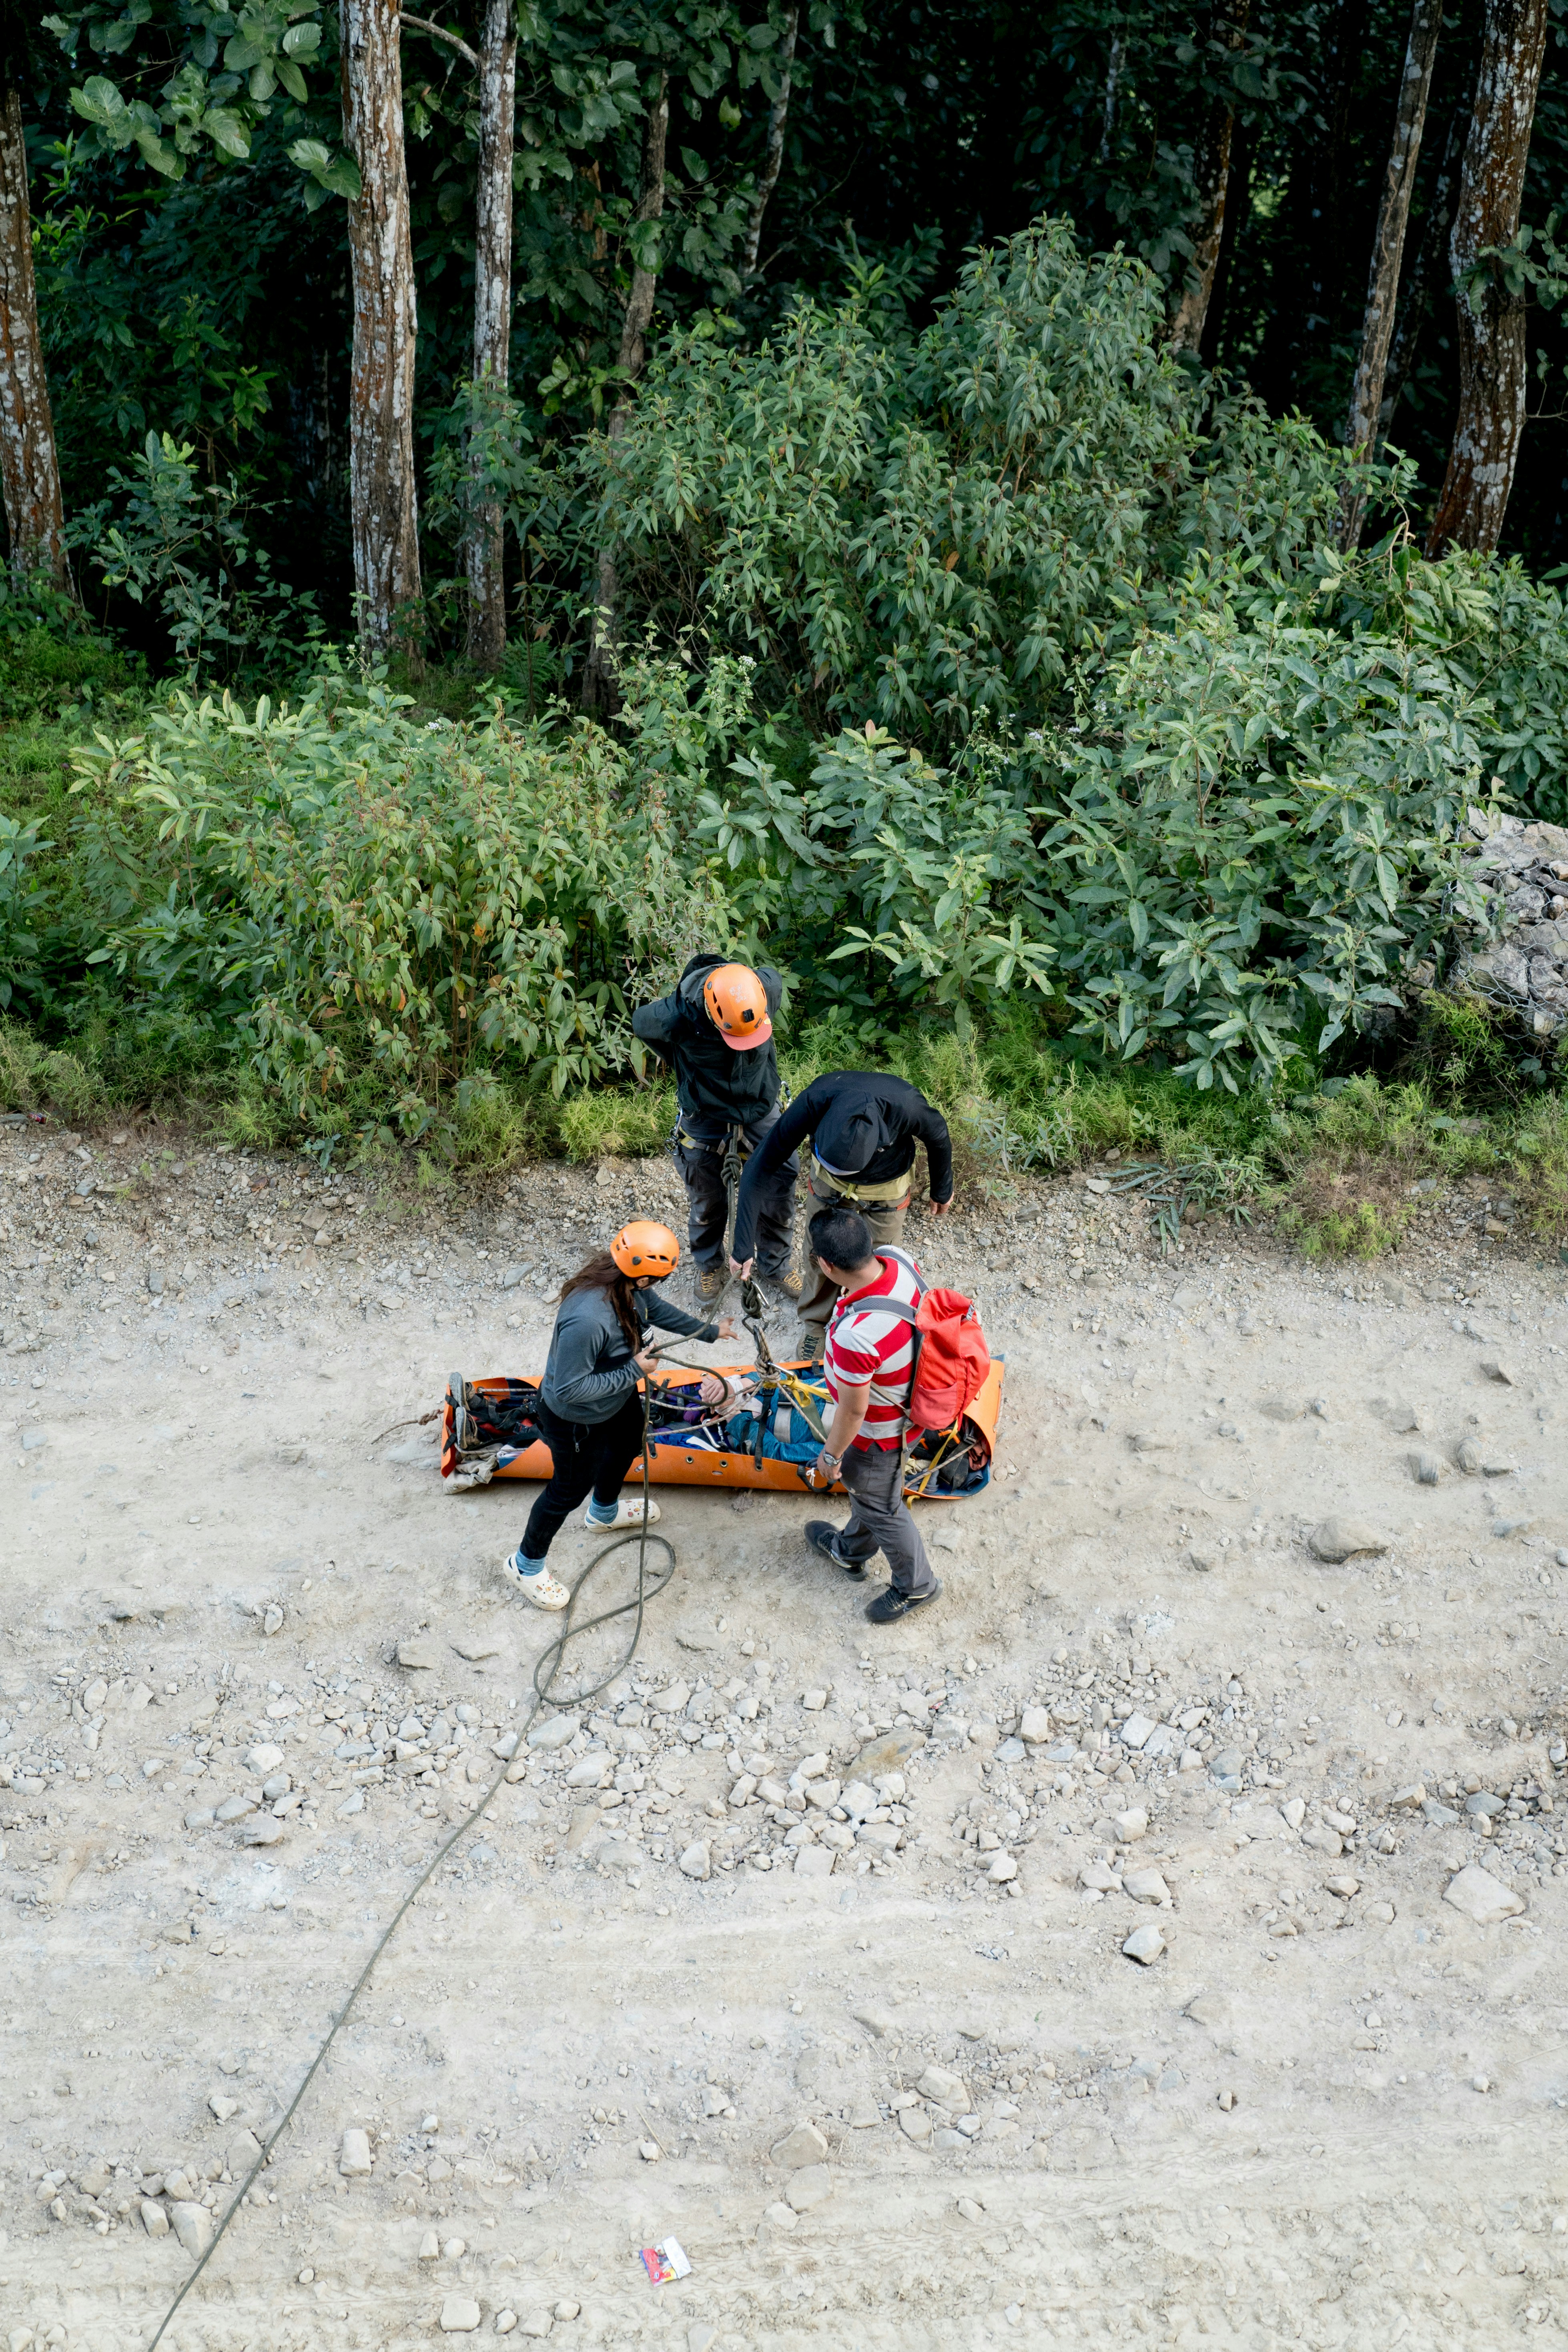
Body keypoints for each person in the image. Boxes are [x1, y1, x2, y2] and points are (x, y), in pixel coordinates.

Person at [502, 1220, 736, 1611]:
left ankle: (604, 1512)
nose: (658, 1285)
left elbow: (656, 1309)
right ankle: (525, 1565)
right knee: (567, 1490)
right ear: (642, 1275)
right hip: (575, 1417)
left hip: (615, 1399)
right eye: (660, 1277)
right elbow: (568, 1390)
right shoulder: (588, 1319)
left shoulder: (627, 1285)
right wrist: (636, 1371)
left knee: (629, 1442)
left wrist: (710, 1332)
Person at [729, 1069, 954, 1356]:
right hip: (827, 1187)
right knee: (820, 1254)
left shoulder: (906, 1104)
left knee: (877, 1260)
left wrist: (942, 1189)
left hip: (886, 1187)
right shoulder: (815, 1099)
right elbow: (759, 1166)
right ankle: (815, 1324)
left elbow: (938, 1135)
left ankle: (873, 1325)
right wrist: (743, 1247)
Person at [631, 954, 802, 1307]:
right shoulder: (677, 1015)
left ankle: (775, 1264)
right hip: (704, 1111)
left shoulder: (764, 987)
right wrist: (680, 1058)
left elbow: (775, 976)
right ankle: (710, 1264)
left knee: (782, 1177)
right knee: (707, 1193)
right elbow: (640, 1023)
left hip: (759, 1104)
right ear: (711, 1012)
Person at [799, 1203, 941, 1624]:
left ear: (826, 1265)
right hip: (915, 1404)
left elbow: (853, 1410)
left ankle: (917, 1587)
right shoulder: (899, 1260)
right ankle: (851, 1552)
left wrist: (830, 1457)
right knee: (870, 1493)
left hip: (882, 1435)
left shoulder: (856, 1337)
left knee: (881, 1505)